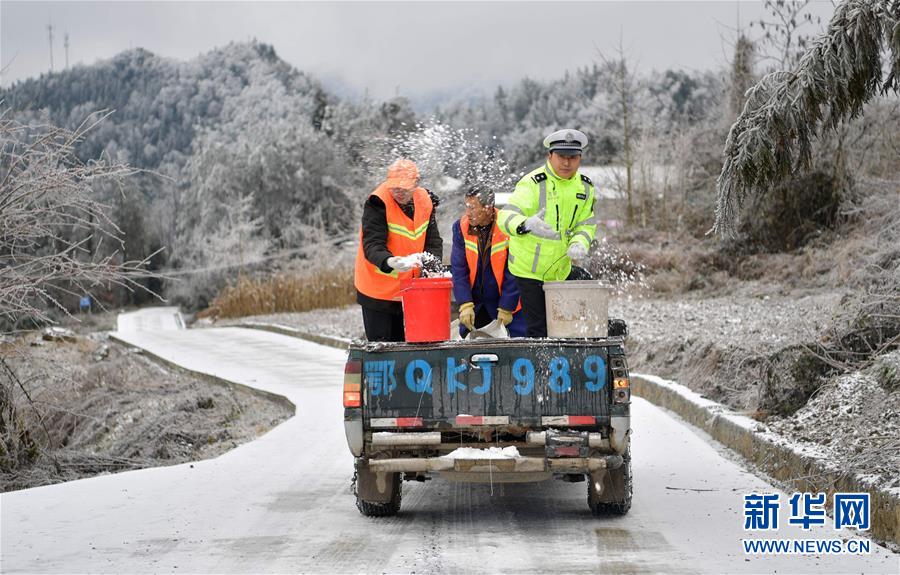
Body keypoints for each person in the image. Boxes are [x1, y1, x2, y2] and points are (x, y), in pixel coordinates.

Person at [497, 129, 597, 337]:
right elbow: (505, 217)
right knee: (539, 330)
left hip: (560, 270)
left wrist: (580, 243)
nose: (567, 163)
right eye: (561, 157)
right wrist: (525, 224)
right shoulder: (533, 183)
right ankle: (541, 369)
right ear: (549, 156)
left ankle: (562, 366)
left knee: (565, 328)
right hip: (529, 271)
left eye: (573, 158)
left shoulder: (586, 187)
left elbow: (586, 224)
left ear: (580, 158)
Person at [354, 159, 442, 342]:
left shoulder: (426, 202)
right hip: (377, 291)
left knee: (411, 347)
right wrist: (389, 261)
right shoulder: (377, 203)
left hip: (412, 291)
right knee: (384, 351)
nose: (398, 192)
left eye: (403, 188)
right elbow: (372, 245)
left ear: (416, 184)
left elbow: (432, 241)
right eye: (394, 188)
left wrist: (432, 266)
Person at [450, 184, 525, 338]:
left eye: (473, 208)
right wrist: (465, 303)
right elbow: (459, 269)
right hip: (475, 305)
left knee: (514, 345)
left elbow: (515, 269)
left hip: (505, 305)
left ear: (489, 208)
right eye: (467, 207)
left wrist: (507, 306)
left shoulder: (507, 226)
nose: (468, 213)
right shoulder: (460, 227)